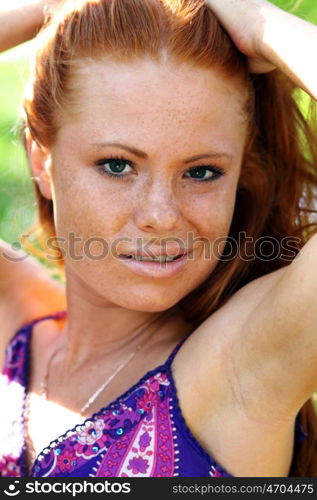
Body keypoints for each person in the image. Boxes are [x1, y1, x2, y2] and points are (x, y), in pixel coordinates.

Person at [0, 0, 317, 478]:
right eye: (117, 165)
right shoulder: (13, 317)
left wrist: (259, 23)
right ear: (42, 160)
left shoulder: (244, 363)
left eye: (202, 172)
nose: (161, 216)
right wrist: (43, 9)